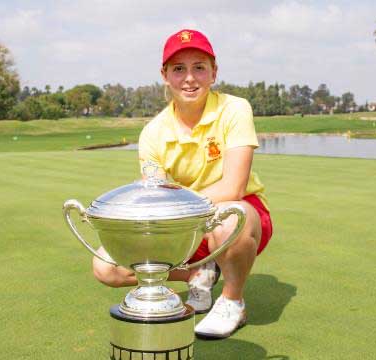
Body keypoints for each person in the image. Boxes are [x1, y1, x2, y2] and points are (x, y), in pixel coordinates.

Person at [92, 29, 273, 339]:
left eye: (199, 67)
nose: (190, 78)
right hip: (186, 225)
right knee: (105, 266)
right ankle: (197, 275)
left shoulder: (234, 108)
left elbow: (233, 188)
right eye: (179, 69)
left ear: (214, 72)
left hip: (239, 217)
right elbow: (155, 193)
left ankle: (232, 301)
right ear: (165, 75)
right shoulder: (152, 132)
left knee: (229, 216)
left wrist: (177, 208)